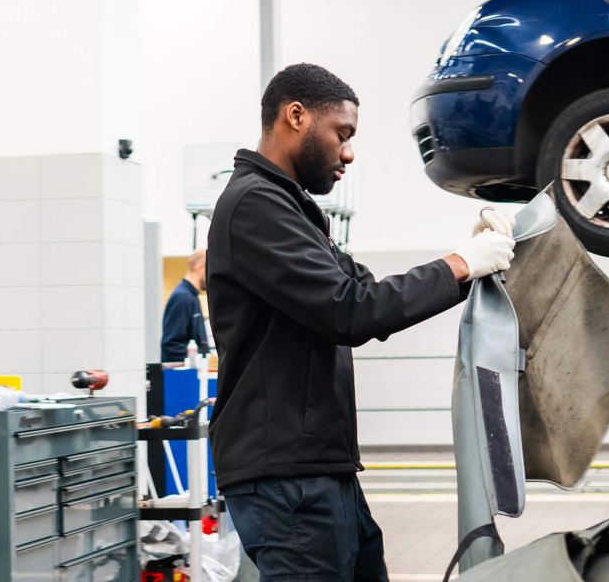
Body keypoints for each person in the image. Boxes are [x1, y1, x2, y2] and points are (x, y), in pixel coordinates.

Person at [206, 63, 516, 582]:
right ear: (296, 116)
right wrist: (461, 264)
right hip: (287, 479)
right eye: (342, 134)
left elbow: (367, 292)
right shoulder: (254, 206)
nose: (348, 153)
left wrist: (465, 261)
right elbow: (349, 310)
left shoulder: (291, 208)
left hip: (321, 470)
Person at [160, 250, 210, 362]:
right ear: (200, 267)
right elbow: (171, 344)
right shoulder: (183, 298)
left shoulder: (191, 297)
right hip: (185, 376)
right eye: (210, 271)